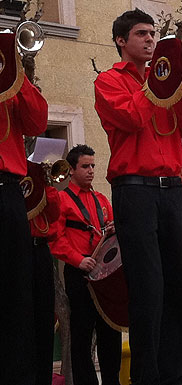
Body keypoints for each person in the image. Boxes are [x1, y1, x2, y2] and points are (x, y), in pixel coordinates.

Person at [94, 8, 182, 385]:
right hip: (134, 190)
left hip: (171, 189)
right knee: (147, 286)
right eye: (142, 34)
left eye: (153, 34)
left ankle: (178, 375)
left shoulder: (166, 79)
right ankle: (148, 377)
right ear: (122, 40)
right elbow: (133, 119)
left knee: (177, 283)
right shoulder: (109, 80)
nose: (151, 40)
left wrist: (180, 78)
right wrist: (156, 84)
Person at [49, 144, 122, 385]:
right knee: (82, 335)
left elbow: (112, 233)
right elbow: (56, 240)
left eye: (92, 166)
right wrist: (79, 260)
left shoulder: (101, 199)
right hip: (79, 274)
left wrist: (113, 229)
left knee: (110, 333)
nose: (91, 170)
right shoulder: (61, 199)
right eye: (85, 166)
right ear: (71, 170)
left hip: (103, 275)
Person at [0, 53, 48, 384]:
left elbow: (37, 123)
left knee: (15, 291)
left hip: (6, 190)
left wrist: (16, 76)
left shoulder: (11, 79)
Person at [30, 184, 61, 385]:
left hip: (39, 249)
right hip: (17, 246)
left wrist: (43, 181)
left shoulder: (36, 180)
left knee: (44, 319)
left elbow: (53, 212)